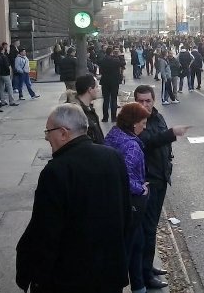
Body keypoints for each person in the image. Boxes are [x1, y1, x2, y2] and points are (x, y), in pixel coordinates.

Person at [16, 104, 132, 293]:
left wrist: (36, 277)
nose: (46, 136)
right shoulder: (113, 157)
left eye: (48, 131)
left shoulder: (56, 171)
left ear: (63, 133)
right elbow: (126, 214)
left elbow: (46, 232)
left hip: (70, 279)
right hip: (110, 273)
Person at [134, 85, 190, 290]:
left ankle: (148, 267)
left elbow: (164, 146)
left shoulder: (157, 117)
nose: (144, 105)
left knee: (152, 228)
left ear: (153, 100)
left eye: (147, 101)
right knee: (147, 231)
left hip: (160, 180)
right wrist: (171, 133)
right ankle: (145, 274)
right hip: (148, 183)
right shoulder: (136, 121)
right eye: (140, 101)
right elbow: (147, 142)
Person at [104, 102, 151, 293]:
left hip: (115, 203)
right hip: (130, 205)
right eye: (142, 122)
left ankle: (139, 286)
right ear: (133, 123)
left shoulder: (114, 135)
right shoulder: (131, 146)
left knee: (137, 244)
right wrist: (141, 189)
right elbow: (124, 178)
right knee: (130, 248)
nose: (144, 126)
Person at [72, 74, 105, 144]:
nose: (98, 89)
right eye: (96, 87)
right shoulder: (77, 113)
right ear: (90, 90)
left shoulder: (89, 109)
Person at [99, 46, 124, 122]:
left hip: (105, 81)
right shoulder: (115, 60)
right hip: (114, 81)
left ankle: (105, 117)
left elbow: (100, 70)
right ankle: (113, 117)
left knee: (105, 100)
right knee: (114, 99)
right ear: (111, 52)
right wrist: (119, 55)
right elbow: (123, 63)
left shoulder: (102, 60)